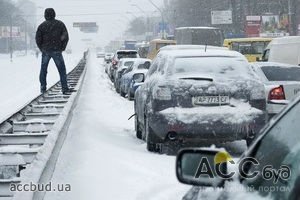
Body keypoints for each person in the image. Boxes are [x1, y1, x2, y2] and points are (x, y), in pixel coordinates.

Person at [35, 8, 71, 94]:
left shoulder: (41, 26)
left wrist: (42, 48)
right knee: (61, 69)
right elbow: (66, 37)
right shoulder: (60, 24)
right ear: (54, 14)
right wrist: (62, 48)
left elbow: (38, 39)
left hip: (46, 50)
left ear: (45, 15)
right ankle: (64, 88)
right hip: (56, 50)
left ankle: (43, 88)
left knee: (43, 69)